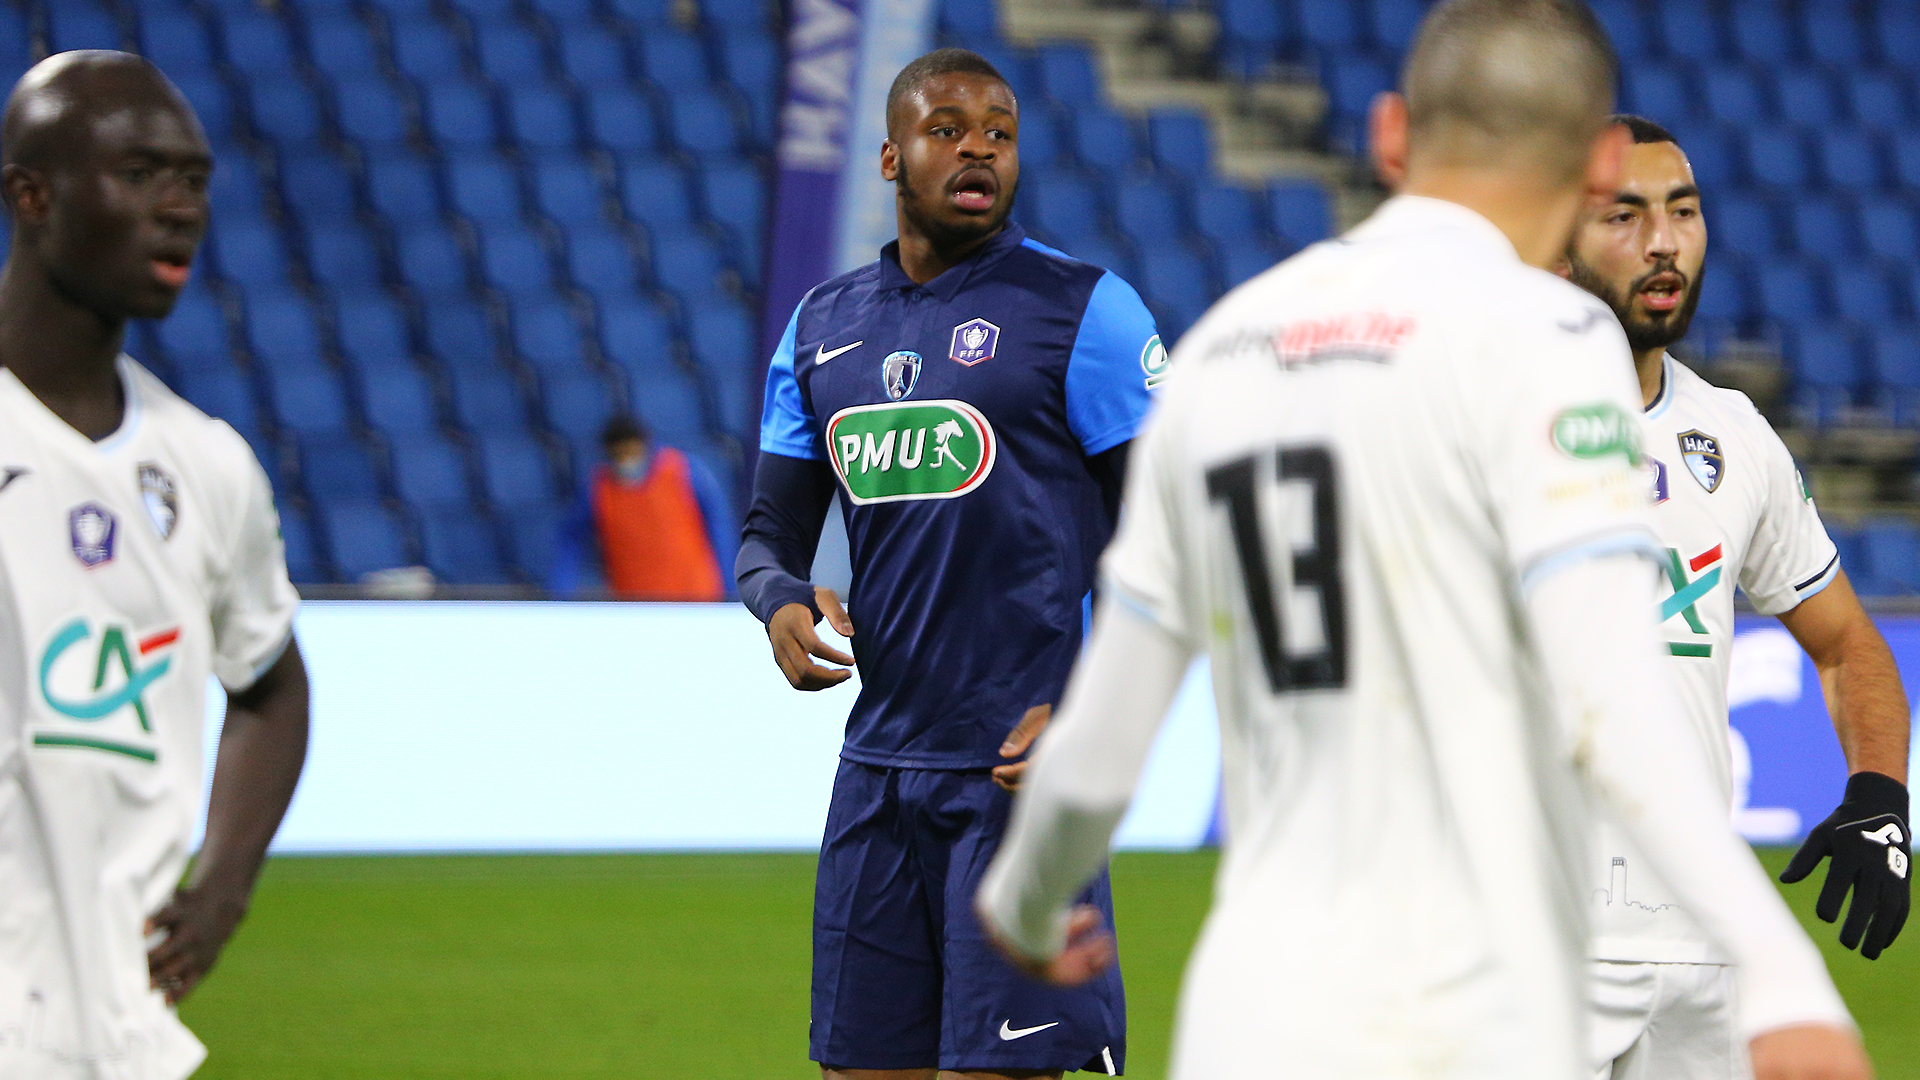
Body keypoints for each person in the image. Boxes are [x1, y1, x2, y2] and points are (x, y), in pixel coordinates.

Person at [974, 3, 1869, 1079]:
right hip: (1472, 1009)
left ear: (1391, 136)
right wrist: (1781, 974)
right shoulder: (1550, 347)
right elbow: (1613, 696)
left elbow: (1103, 734)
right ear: (1593, 166)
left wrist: (1023, 901)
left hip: (1255, 1014)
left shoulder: (1225, 351)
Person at [736, 47, 1160, 1080]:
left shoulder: (1086, 314)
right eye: (949, 128)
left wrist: (1091, 711)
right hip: (877, 776)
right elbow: (765, 535)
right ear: (891, 157)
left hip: (1016, 782)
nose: (979, 148)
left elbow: (1174, 542)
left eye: (1001, 133)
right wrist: (781, 600)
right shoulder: (820, 331)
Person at [1558, 114, 1909, 1080]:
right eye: (1625, 215)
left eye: (1684, 210)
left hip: (1698, 948)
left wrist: (1879, 795)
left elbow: (1848, 645)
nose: (1664, 241)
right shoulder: (1479, 423)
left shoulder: (1733, 434)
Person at [0, 52, 308, 1079]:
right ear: (31, 195)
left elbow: (271, 682)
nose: (178, 208)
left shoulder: (207, 465)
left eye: (195, 180)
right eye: (139, 175)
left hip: (119, 1036)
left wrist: (223, 884)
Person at [551, 414, 737, 601]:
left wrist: (729, 590)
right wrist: (561, 592)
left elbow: (720, 528)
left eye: (631, 452)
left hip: (694, 598)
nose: (626, 460)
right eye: (619, 455)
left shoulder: (685, 471)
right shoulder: (597, 488)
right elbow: (571, 539)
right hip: (636, 606)